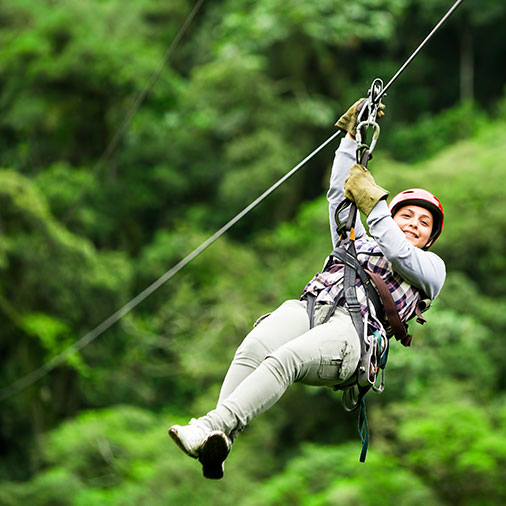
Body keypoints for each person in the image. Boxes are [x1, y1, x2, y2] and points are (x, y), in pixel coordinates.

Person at [168, 100, 446, 480]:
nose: (414, 224)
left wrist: (376, 204)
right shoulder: (357, 241)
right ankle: (221, 437)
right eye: (407, 215)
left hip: (354, 331)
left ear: (430, 238)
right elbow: (339, 196)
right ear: (393, 217)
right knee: (254, 347)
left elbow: (397, 251)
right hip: (313, 306)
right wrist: (350, 139)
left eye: (424, 222)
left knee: (285, 359)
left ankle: (208, 426)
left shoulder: (431, 269)